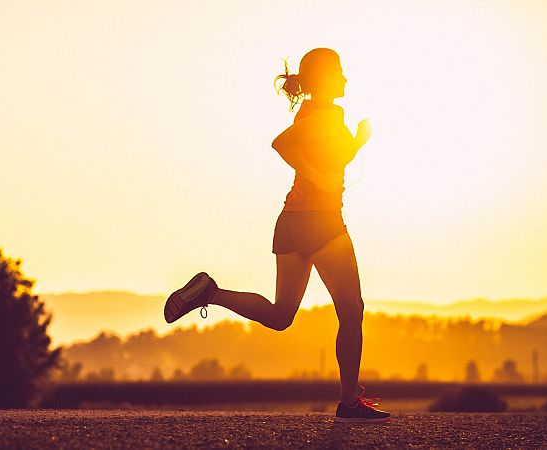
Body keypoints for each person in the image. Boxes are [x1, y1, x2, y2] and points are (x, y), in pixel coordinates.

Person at [164, 48, 390, 424]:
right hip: (321, 221)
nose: (346, 78)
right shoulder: (325, 113)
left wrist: (357, 143)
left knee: (281, 315)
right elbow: (282, 144)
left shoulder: (317, 114)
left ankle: (210, 293)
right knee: (352, 310)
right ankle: (349, 402)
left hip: (292, 222)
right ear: (325, 78)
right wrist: (319, 176)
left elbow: (330, 159)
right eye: (340, 72)